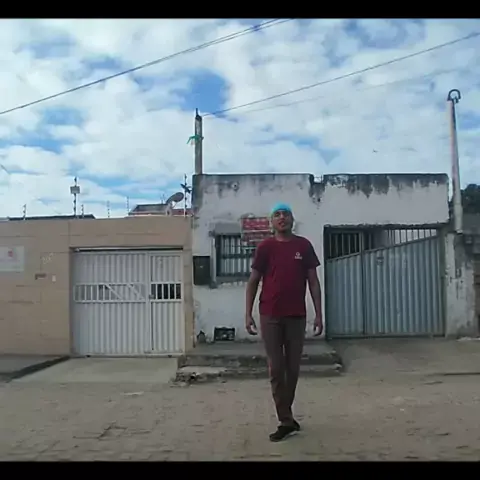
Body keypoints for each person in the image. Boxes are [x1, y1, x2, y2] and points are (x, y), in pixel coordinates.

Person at [245, 202, 323, 442]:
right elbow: (253, 281)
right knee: (277, 368)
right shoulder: (265, 247)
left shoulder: (303, 246)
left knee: (293, 369)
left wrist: (319, 314)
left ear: (292, 219)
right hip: (270, 315)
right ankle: (285, 420)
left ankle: (287, 417)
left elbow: (313, 282)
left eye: (286, 214)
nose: (282, 218)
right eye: (277, 214)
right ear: (272, 221)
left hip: (296, 316)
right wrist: (248, 314)